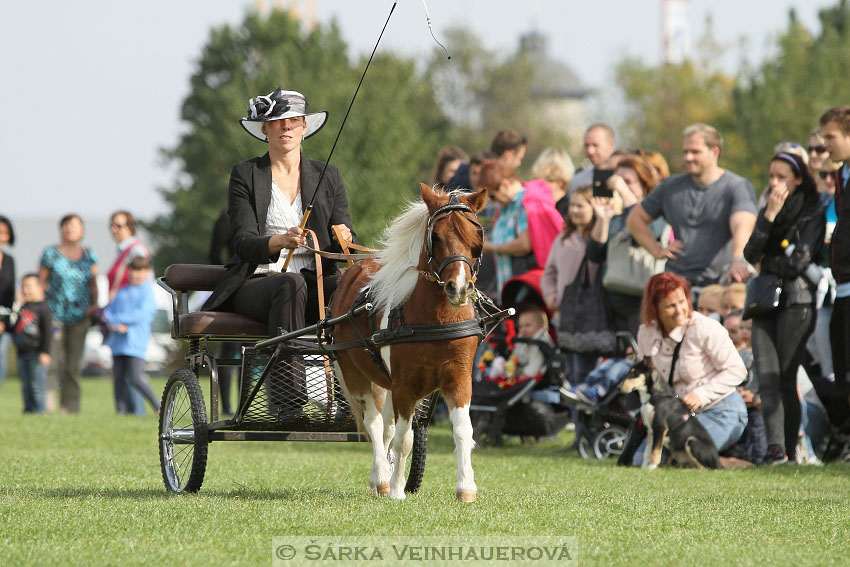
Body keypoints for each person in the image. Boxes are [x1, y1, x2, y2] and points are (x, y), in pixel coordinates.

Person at [202, 86, 355, 339]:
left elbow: (345, 244)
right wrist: (281, 241)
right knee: (290, 284)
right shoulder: (245, 174)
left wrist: (345, 239)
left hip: (314, 280)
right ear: (264, 128)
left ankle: (352, 376)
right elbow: (243, 244)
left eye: (294, 121)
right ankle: (287, 376)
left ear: (304, 127)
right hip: (259, 282)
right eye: (277, 121)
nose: (286, 127)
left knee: (353, 286)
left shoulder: (328, 175)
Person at [743, 151, 825, 465]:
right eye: (771, 177)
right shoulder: (769, 208)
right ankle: (774, 449)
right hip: (764, 301)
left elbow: (798, 262)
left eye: (782, 177)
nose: (775, 183)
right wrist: (769, 216)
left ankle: (790, 450)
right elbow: (751, 253)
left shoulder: (813, 209)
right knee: (765, 375)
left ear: (798, 178)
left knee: (785, 377)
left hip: (796, 301)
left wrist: (769, 260)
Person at [631, 272, 748, 465]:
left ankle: (731, 461)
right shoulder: (646, 333)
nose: (679, 310)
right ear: (655, 309)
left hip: (721, 408)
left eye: (682, 301)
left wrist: (701, 394)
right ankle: (722, 458)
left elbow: (737, 370)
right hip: (676, 415)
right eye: (670, 306)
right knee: (641, 462)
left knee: (683, 461)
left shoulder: (705, 327)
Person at [627, 123, 758, 289]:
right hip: (678, 282)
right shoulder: (670, 187)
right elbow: (635, 219)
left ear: (714, 152)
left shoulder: (736, 186)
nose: (688, 157)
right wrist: (657, 250)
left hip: (720, 283)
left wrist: (738, 258)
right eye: (685, 152)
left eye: (695, 152)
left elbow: (742, 224)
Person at [586, 155, 667, 337]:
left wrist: (627, 195)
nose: (620, 186)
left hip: (641, 304)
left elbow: (649, 233)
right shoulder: (616, 216)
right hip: (612, 304)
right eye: (618, 180)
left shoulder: (658, 214)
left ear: (645, 185)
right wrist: (602, 220)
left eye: (628, 181)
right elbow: (594, 254)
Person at [39, 214, 98, 414]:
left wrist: (94, 305)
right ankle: (47, 407)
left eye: (74, 225)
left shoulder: (89, 254)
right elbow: (41, 283)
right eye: (66, 225)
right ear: (61, 229)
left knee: (73, 367)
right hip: (54, 316)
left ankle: (70, 409)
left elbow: (93, 282)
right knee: (52, 363)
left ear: (82, 230)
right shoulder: (50, 254)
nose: (70, 229)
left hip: (80, 316)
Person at [540, 185, 599, 384]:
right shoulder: (562, 240)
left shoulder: (599, 240)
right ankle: (574, 416)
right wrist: (550, 295)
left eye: (580, 206)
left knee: (589, 372)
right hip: (565, 318)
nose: (573, 210)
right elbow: (549, 273)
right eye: (572, 205)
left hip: (592, 319)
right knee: (571, 373)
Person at [818, 106, 850, 461]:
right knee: (843, 377)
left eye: (831, 136)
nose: (826, 145)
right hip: (841, 288)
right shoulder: (841, 176)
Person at [479, 160, 562, 295]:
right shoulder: (505, 206)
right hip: (509, 285)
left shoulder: (526, 202)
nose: (493, 201)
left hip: (527, 285)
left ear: (504, 185)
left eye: (492, 196)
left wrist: (493, 248)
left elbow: (524, 245)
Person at [104, 257, 160, 415]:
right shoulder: (121, 292)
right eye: (133, 270)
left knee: (135, 378)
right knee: (119, 380)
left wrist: (120, 320)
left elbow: (142, 314)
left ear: (147, 272)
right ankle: (121, 412)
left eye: (140, 271)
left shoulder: (147, 291)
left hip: (135, 343)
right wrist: (114, 324)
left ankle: (158, 406)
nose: (136, 275)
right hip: (118, 344)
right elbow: (108, 313)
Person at [8, 274, 52, 413]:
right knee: (25, 385)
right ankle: (28, 410)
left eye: (29, 286)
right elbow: (13, 326)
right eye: (23, 287)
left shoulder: (43, 309)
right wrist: (18, 305)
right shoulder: (23, 308)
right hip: (22, 352)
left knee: (36, 385)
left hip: (37, 353)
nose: (25, 290)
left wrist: (45, 352)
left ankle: (39, 411)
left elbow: (47, 333)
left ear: (40, 288)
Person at [481, 306, 552, 387]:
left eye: (528, 325)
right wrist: (518, 343)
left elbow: (535, 363)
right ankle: (493, 378)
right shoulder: (524, 339)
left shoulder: (539, 343)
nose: (523, 329)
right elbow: (515, 356)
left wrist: (524, 375)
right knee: (499, 361)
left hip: (532, 376)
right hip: (518, 369)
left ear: (540, 326)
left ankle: (499, 379)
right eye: (521, 326)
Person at [445, 129, 527, 191]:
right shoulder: (488, 179)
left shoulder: (461, 176)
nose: (519, 163)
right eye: (519, 159)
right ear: (508, 155)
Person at [106, 211, 151, 300]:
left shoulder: (136, 250)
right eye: (111, 226)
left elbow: (145, 280)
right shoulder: (124, 251)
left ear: (130, 227)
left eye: (118, 226)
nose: (113, 230)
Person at [568, 124, 616, 192]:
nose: (590, 151)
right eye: (587, 145)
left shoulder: (626, 178)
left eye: (595, 145)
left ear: (611, 145)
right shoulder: (578, 181)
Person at [529, 147, 575, 217]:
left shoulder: (571, 211)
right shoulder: (540, 207)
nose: (538, 187)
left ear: (559, 183)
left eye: (543, 183)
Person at [0, 215, 16, 388]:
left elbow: (10, 292)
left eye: (4, 232)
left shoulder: (9, 261)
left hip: (1, 318)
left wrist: (3, 320)